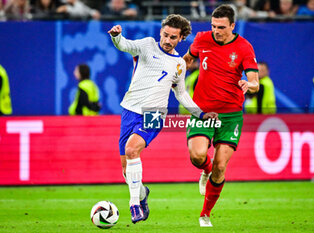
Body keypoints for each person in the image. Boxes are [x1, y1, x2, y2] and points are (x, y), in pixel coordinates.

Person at [107, 14, 218, 224]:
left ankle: (133, 204)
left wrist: (201, 114)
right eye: (165, 35)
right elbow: (125, 45)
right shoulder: (147, 45)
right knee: (126, 170)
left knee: (132, 150)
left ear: (181, 38)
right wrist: (116, 36)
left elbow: (181, 94)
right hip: (129, 109)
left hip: (155, 113)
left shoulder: (179, 64)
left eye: (173, 37)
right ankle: (141, 194)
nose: (167, 40)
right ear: (160, 32)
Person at [183, 4, 259, 227]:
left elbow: (254, 81)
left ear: (232, 26)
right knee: (197, 156)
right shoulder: (202, 39)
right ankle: (204, 170)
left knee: (221, 167)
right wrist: (175, 72)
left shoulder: (244, 47)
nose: (216, 30)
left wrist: (249, 83)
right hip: (203, 111)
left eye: (222, 27)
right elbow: (188, 59)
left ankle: (205, 214)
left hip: (231, 115)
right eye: (214, 26)